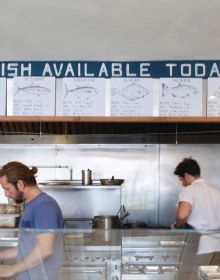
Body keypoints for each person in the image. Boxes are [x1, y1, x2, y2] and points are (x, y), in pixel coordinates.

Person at [0, 161, 64, 280]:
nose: (6, 194)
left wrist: (11, 269)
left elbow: (45, 248)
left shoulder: (44, 206)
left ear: (20, 184)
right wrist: (1, 255)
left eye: (7, 188)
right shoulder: (33, 204)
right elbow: (27, 247)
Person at [171, 157, 220, 230]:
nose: (182, 184)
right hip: (217, 238)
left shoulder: (189, 190)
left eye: (182, 180)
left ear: (186, 176)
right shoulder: (216, 192)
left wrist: (176, 225)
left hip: (198, 238)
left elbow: (182, 216)